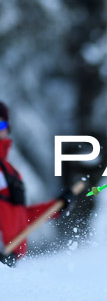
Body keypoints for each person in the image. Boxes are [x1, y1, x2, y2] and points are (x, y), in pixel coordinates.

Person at [0, 102, 74, 267]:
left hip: (11, 264)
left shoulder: (10, 171)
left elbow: (19, 216)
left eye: (1, 124)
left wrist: (55, 207)